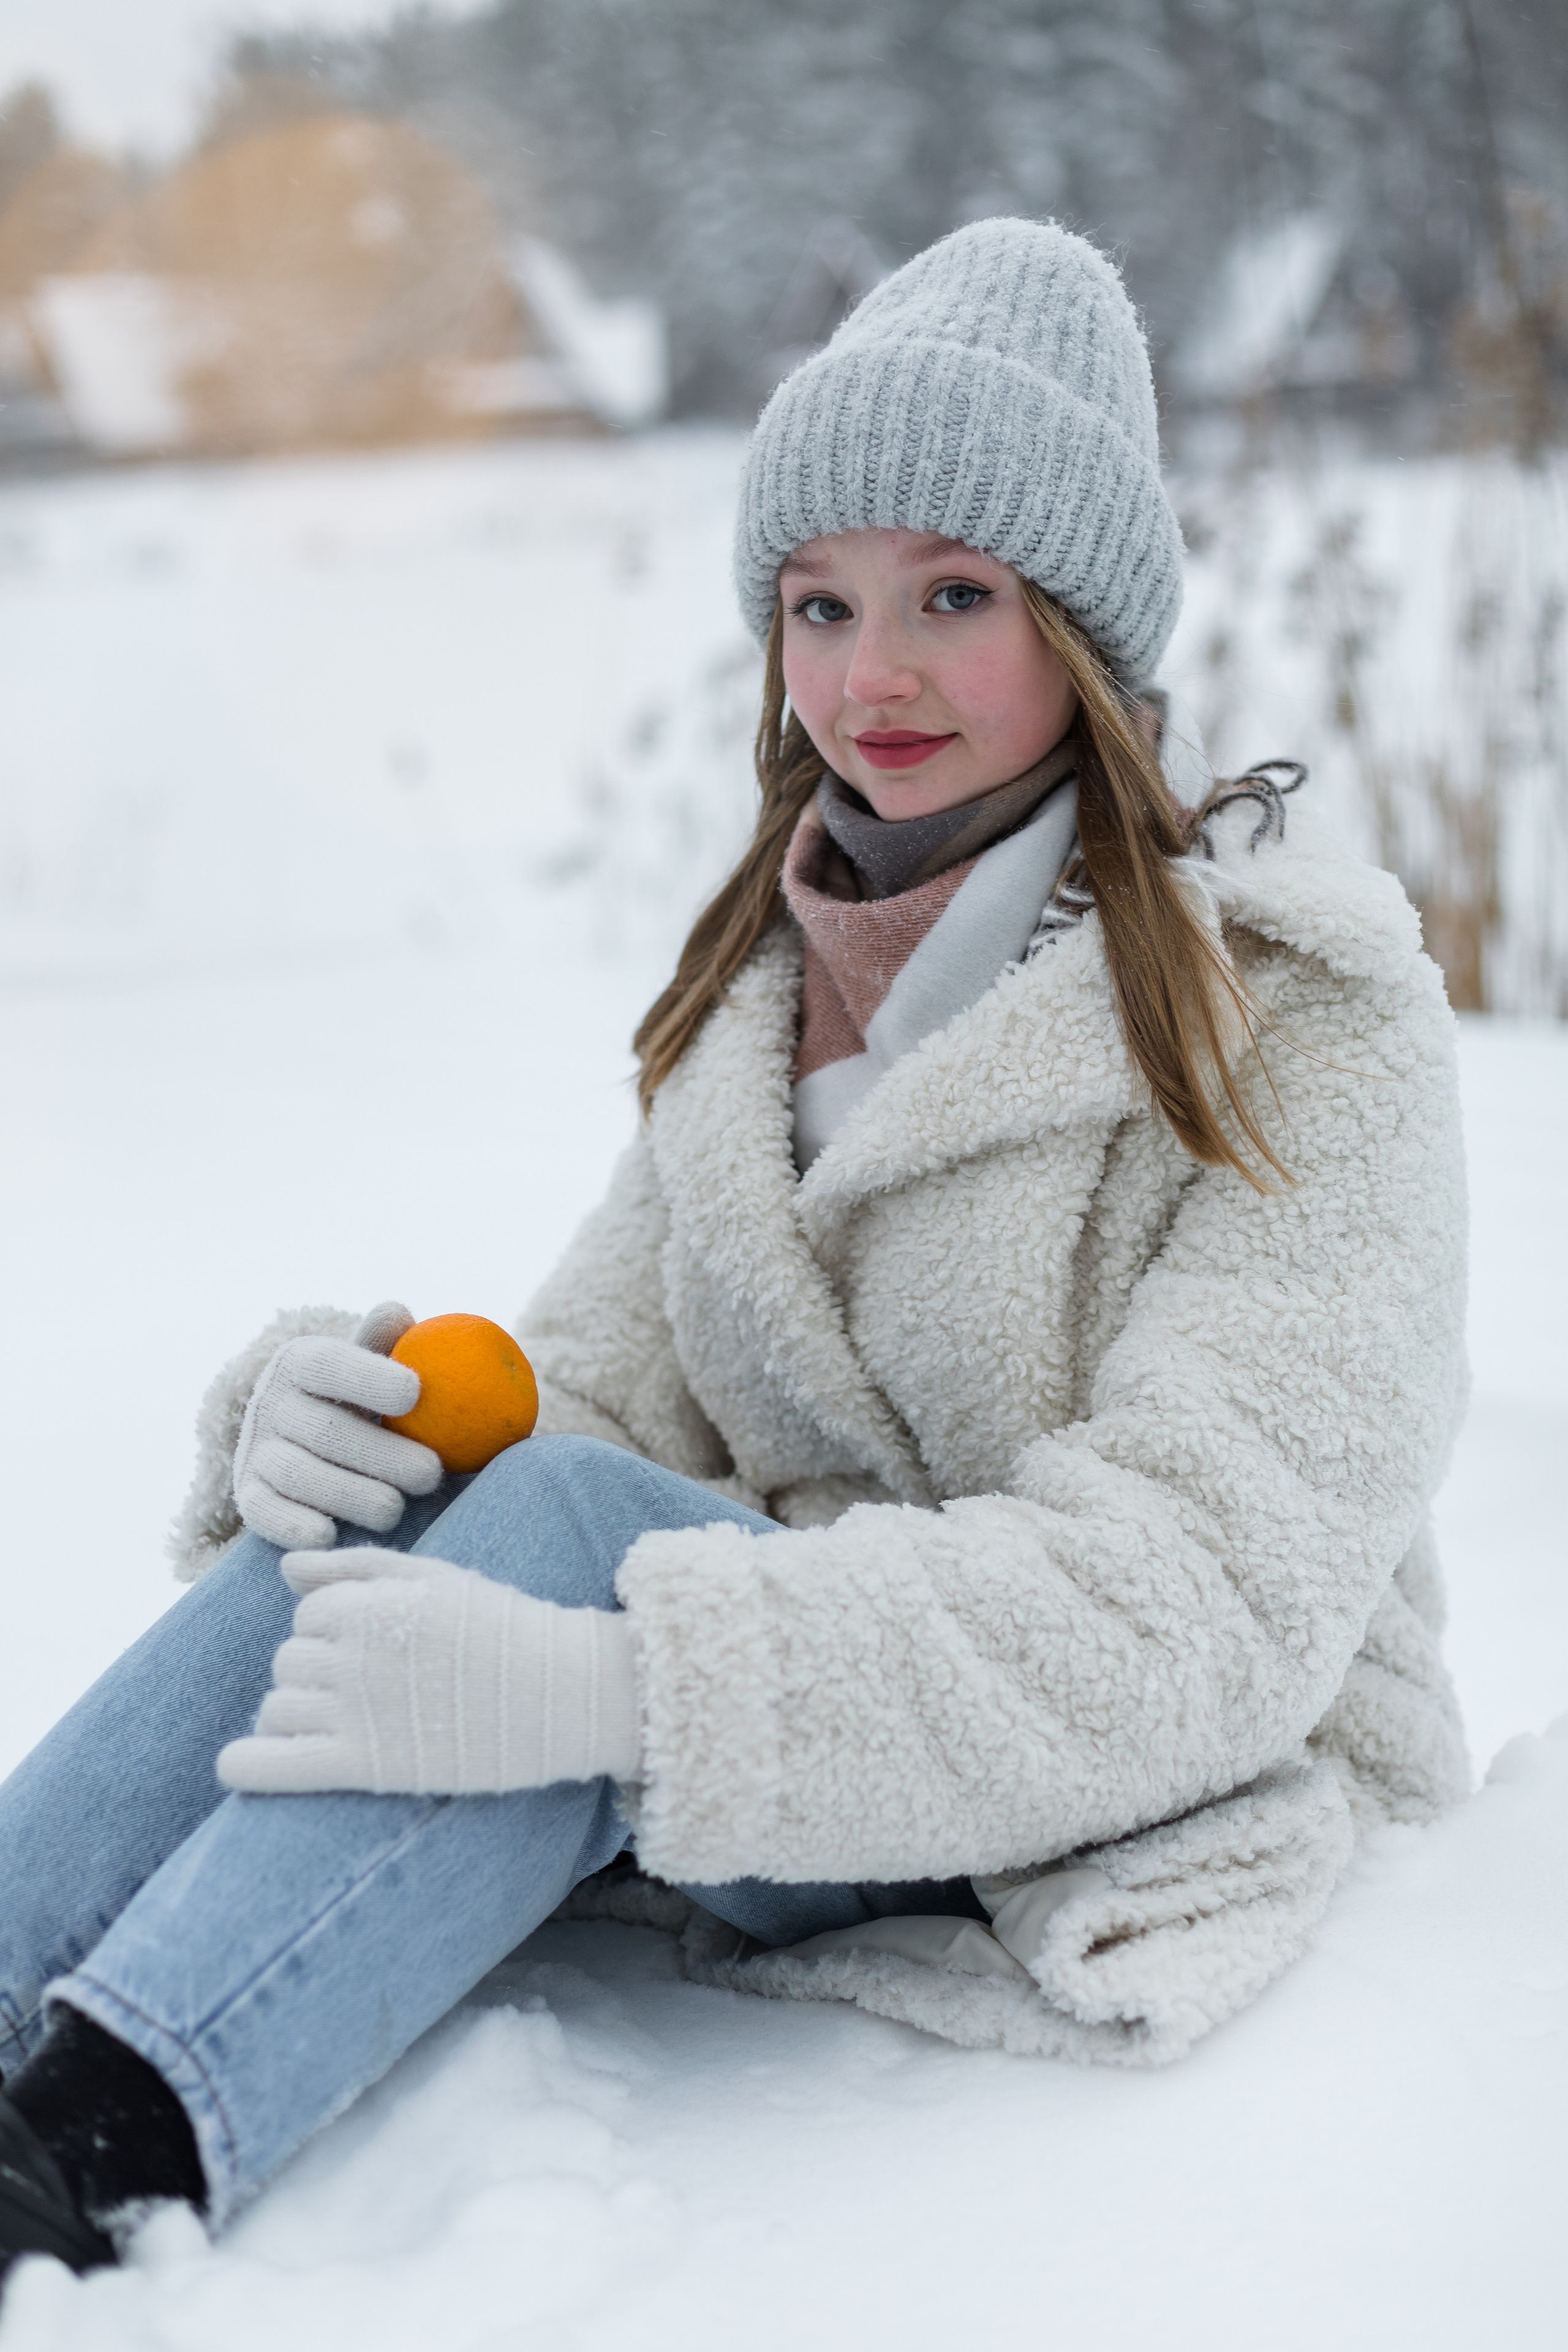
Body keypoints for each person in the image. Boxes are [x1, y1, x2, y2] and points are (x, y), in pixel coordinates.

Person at [0, 217, 1469, 2282]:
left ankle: (92, 2156)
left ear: (1084, 630)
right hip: (796, 1759)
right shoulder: (767, 1000)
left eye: (955, 596)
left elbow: (1205, 1605)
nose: (872, 677)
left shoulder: (1297, 1020)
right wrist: (334, 1443)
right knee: (437, 1502)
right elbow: (586, 1407)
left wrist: (628, 1677)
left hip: (1140, 1789)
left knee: (588, 1529)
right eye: (820, 602)